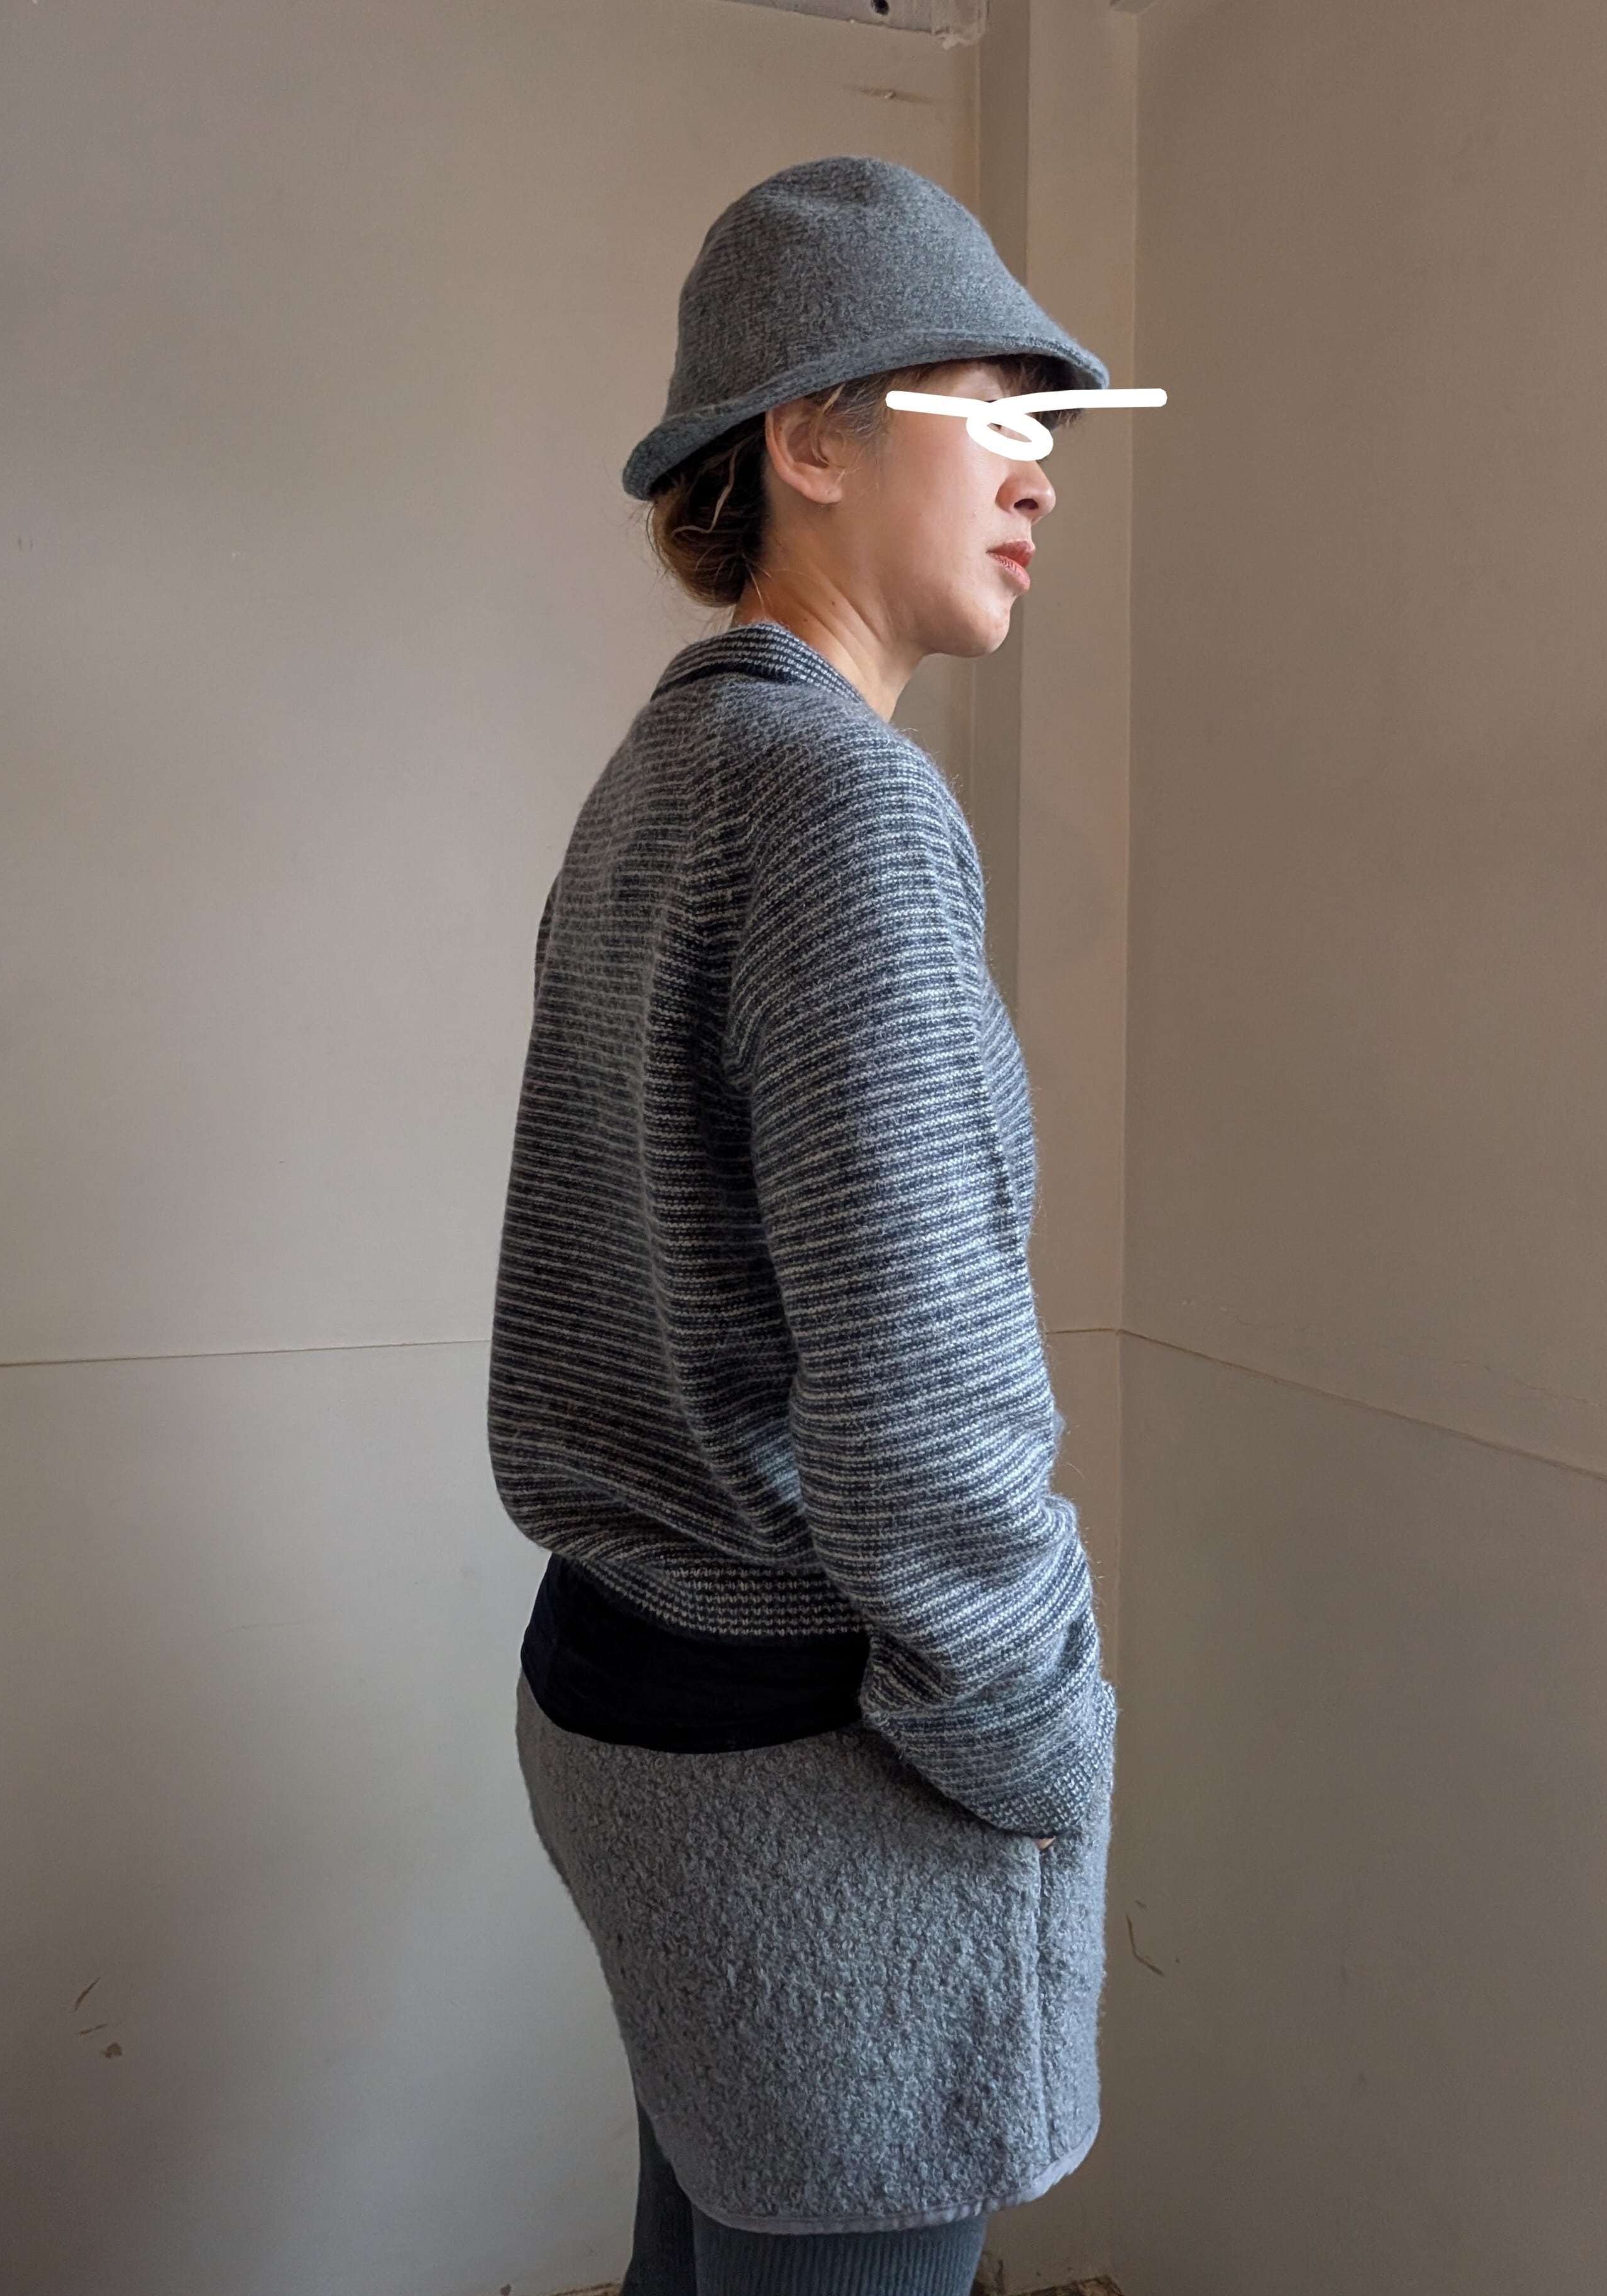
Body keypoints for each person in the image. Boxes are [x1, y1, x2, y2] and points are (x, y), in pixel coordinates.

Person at [487, 155, 1117, 2296]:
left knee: (708, 2242)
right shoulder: (841, 806)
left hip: (623, 1698)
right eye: (990, 411)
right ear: (810, 441)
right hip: (801, 1772)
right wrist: (1048, 1746)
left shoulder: (664, 775)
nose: (1041, 473)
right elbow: (924, 1426)